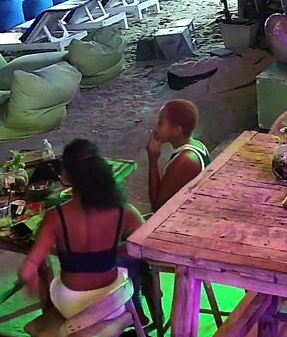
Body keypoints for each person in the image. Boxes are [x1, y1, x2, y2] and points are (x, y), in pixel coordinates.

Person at [19, 139, 145, 319]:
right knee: (128, 273)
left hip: (71, 307)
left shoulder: (55, 216)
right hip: (112, 304)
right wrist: (116, 251)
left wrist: (30, 282)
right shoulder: (125, 211)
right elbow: (148, 247)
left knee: (55, 285)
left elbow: (27, 270)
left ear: (67, 176)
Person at [144, 99, 208, 212]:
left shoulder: (185, 160)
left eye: (160, 122)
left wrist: (153, 160)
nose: (155, 126)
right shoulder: (197, 145)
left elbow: (157, 207)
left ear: (176, 130)